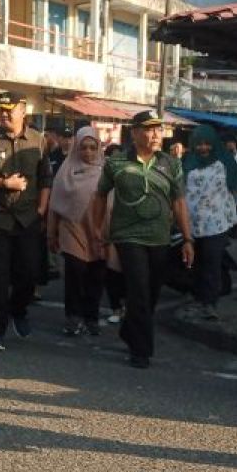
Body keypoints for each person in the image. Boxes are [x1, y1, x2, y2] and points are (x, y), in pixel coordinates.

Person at [92, 110, 192, 368]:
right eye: (149, 129)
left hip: (160, 237)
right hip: (128, 236)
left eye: (159, 129)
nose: (156, 134)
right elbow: (101, 195)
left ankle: (129, 329)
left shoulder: (171, 164)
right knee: (138, 290)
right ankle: (141, 350)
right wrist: (97, 229)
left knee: (152, 291)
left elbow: (179, 202)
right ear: (134, 132)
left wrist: (189, 239)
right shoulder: (116, 162)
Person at [0, 91, 52, 351]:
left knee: (29, 273)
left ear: (23, 110)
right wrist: (4, 183)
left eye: (10, 109)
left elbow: (45, 178)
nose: (4, 113)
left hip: (28, 218)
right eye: (1, 109)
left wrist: (41, 208)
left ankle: (19, 310)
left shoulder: (38, 140)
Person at [48, 126, 107, 336]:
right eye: (83, 148)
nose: (88, 152)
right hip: (71, 229)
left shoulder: (106, 171)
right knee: (75, 272)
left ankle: (91, 316)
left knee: (96, 276)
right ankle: (73, 316)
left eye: (93, 147)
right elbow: (55, 205)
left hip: (98, 231)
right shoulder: (66, 171)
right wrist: (51, 233)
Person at [182, 125, 237, 321]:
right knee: (194, 264)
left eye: (207, 143)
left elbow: (236, 184)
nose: (203, 148)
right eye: (199, 144)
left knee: (211, 262)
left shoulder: (224, 160)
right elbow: (179, 188)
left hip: (216, 222)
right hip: (191, 222)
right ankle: (198, 299)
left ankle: (210, 304)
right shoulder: (187, 161)